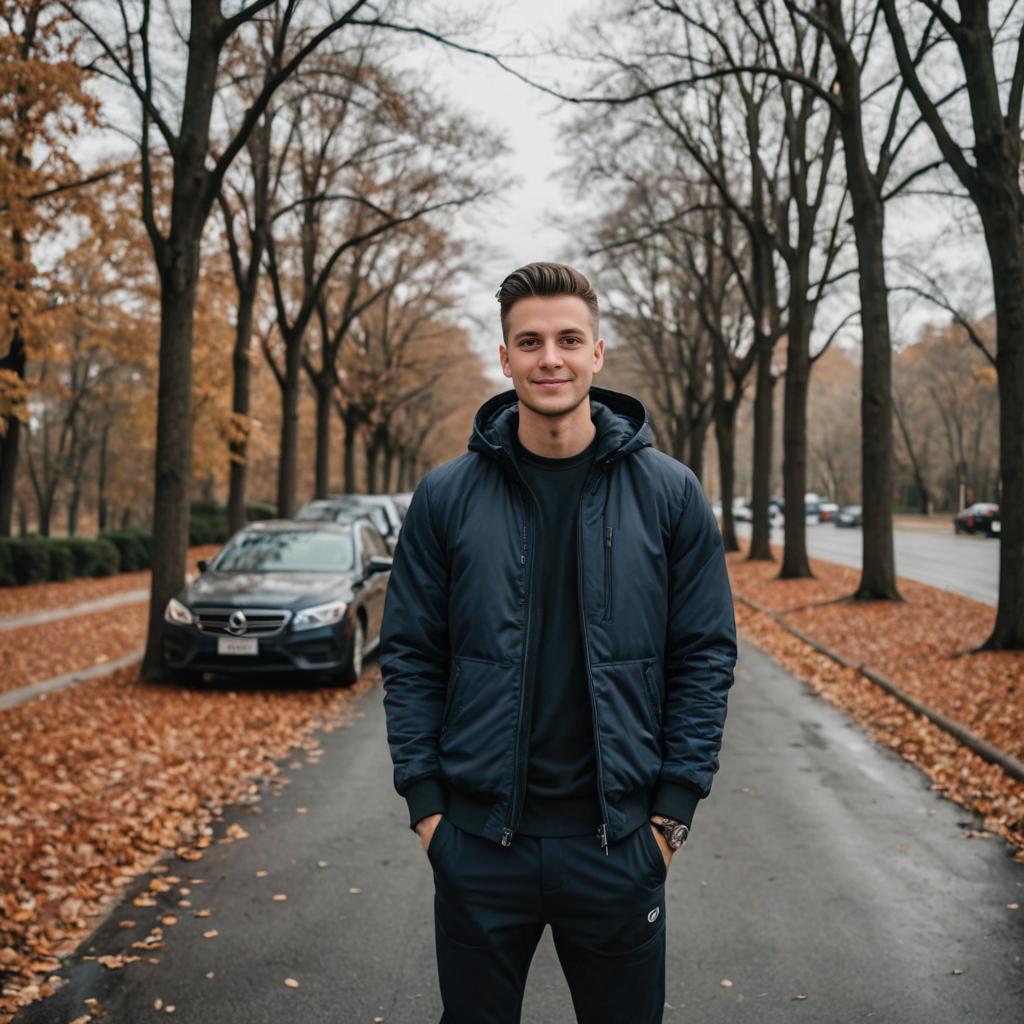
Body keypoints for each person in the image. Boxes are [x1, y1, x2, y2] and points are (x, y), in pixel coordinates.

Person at [380, 261, 737, 1024]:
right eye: (530, 341)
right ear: (504, 359)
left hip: (618, 846)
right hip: (478, 847)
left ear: (597, 353)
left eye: (569, 339)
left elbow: (704, 654)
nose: (552, 358)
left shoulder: (670, 494)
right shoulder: (445, 498)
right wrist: (428, 812)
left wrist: (670, 818)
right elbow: (410, 653)